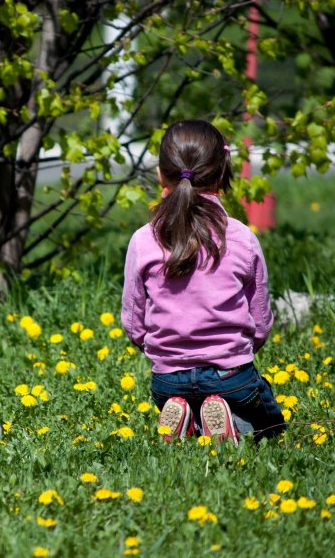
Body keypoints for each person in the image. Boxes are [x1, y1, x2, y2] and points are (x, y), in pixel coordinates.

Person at [121, 119, 286, 445]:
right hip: (231, 377)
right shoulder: (241, 237)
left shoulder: (144, 239)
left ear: (160, 174)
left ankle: (184, 415)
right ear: (224, 172)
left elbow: (133, 321)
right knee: (270, 423)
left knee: (183, 394)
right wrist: (241, 350)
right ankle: (233, 422)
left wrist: (158, 352)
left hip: (167, 380)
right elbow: (261, 319)